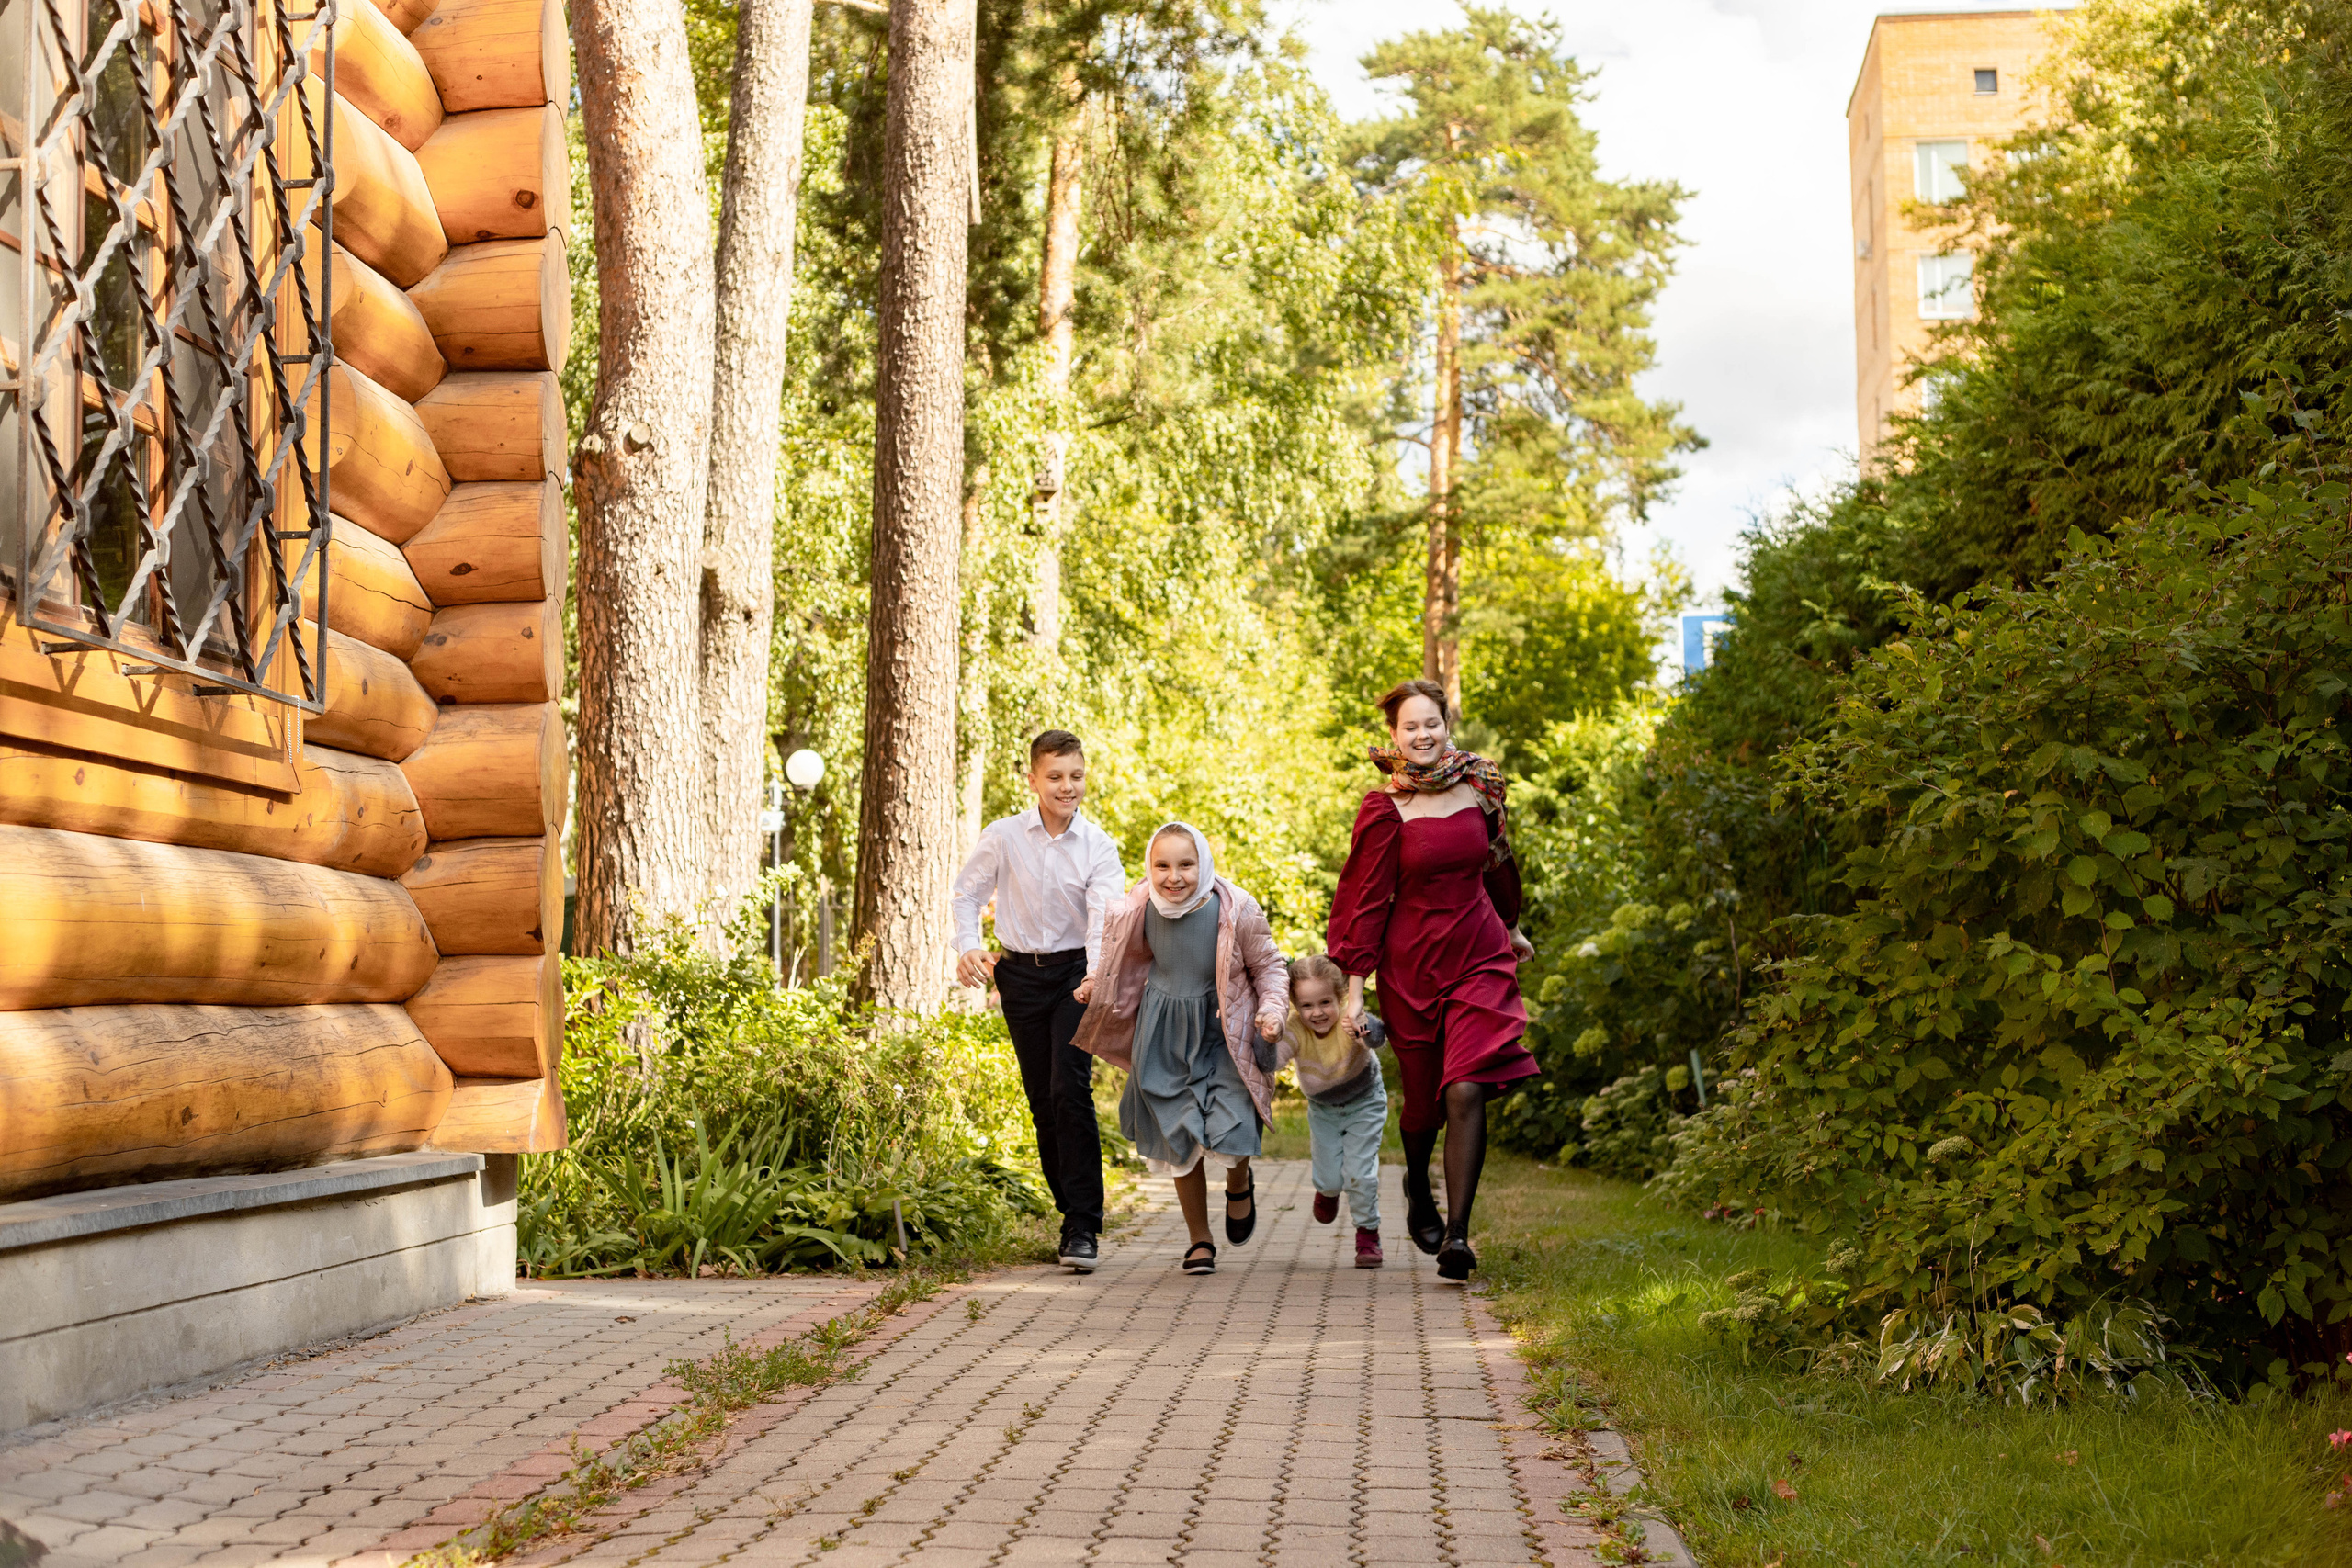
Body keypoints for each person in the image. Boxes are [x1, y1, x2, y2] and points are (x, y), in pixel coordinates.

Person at [1326, 679, 1538, 1282]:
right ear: (1395, 736)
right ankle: (1418, 1187)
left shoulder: (1481, 786)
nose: (1423, 735)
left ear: (1448, 724)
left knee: (1466, 1087)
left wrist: (1511, 924)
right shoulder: (1385, 806)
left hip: (1478, 951)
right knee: (1423, 1104)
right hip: (1411, 964)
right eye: (1410, 727)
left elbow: (1497, 859)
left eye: (1432, 723)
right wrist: (1355, 985)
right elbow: (1364, 899)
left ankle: (1459, 1235)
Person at [1072, 822, 1289, 1276]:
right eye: (1163, 865)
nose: (1174, 876)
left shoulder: (1234, 907)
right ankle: (1199, 1241)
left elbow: (1268, 964)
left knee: (1233, 1126)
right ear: (1150, 867)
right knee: (1179, 1136)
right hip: (1164, 1035)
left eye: (1186, 865)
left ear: (1203, 863)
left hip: (1223, 1031)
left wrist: (1271, 1009)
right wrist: (1095, 981)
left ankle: (1237, 1182)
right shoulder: (1138, 906)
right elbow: (1111, 954)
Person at [952, 730, 1126, 1274]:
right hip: (1020, 976)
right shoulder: (1004, 837)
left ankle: (1082, 1225)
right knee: (1040, 1100)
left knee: (1067, 1087)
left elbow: (1106, 916)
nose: (1067, 786)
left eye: (1075, 776)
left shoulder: (1097, 844)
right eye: (1055, 777)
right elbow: (967, 893)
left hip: (1078, 974)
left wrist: (1097, 974)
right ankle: (1068, 1211)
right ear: (1032, 780)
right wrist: (969, 946)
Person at [1268, 953, 1389, 1269]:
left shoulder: (1350, 1020)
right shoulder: (1295, 1028)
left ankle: (1367, 1233)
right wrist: (1265, 1036)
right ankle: (1327, 1191)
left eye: (1325, 1003)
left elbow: (1376, 1039)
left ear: (1340, 998)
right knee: (1330, 1178)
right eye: (1307, 1005)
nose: (1317, 1012)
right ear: (1295, 1004)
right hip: (1323, 1109)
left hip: (1365, 1101)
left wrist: (1363, 1026)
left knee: (1359, 1173)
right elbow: (1272, 1061)